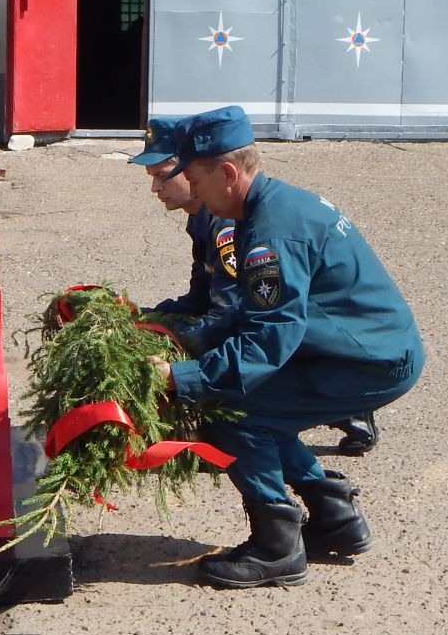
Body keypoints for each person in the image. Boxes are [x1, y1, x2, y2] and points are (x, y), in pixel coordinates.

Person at [159, 106, 425, 589]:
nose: (191, 193)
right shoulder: (266, 206)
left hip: (367, 361)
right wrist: (185, 337)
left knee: (233, 412)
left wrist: (180, 379)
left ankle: (277, 547)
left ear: (227, 172)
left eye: (195, 181)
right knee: (264, 410)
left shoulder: (269, 233)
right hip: (356, 347)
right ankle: (333, 515)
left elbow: (267, 340)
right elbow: (250, 309)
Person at [129, 116, 239, 355]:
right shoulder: (199, 217)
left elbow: (227, 318)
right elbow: (200, 298)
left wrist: (165, 337)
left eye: (162, 175)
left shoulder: (224, 224)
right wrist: (142, 317)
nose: (155, 188)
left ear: (188, 169)